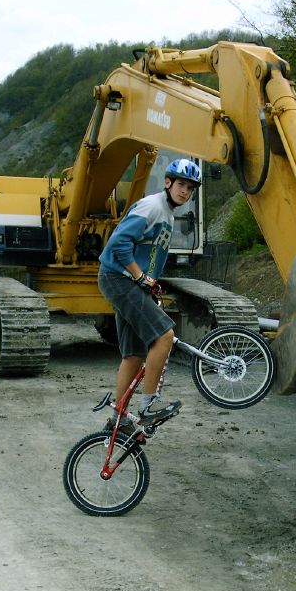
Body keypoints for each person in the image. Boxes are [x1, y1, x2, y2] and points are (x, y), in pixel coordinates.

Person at [97, 157, 202, 432]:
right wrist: (139, 276)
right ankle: (148, 405)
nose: (185, 192)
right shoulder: (152, 206)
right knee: (164, 336)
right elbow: (118, 244)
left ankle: (118, 420)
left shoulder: (167, 212)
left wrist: (148, 283)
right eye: (181, 185)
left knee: (133, 354)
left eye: (190, 188)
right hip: (118, 278)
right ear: (167, 182)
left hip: (125, 281)